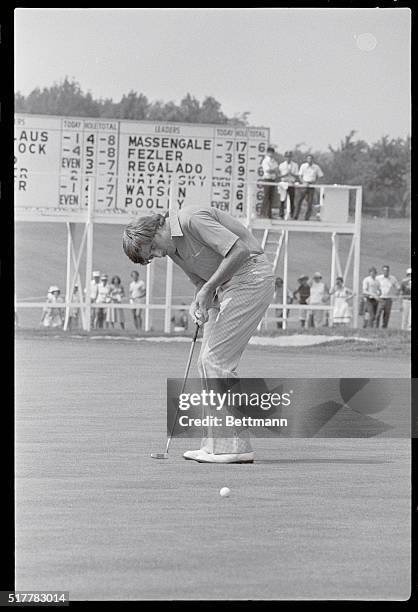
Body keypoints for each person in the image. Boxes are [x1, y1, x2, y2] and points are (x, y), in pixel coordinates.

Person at [122, 207, 275, 464]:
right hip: (225, 288)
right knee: (205, 362)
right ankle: (214, 444)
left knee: (216, 361)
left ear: (154, 230)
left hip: (252, 278)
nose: (159, 255)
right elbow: (199, 282)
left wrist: (207, 290)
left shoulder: (192, 220)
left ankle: (236, 446)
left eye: (154, 249)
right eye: (153, 257)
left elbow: (240, 251)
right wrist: (200, 303)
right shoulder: (172, 250)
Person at [294, 155, 324, 220]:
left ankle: (307, 217)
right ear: (306, 159)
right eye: (308, 159)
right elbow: (300, 176)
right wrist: (303, 182)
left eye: (311, 159)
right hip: (304, 184)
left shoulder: (316, 167)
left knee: (310, 202)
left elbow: (320, 176)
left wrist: (315, 182)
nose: (309, 160)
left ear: (313, 159)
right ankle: (295, 216)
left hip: (311, 185)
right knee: (299, 200)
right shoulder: (303, 166)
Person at [278, 151, 299, 219]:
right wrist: (285, 174)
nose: (288, 158)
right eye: (287, 157)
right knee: (282, 199)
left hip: (291, 183)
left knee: (292, 199)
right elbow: (279, 175)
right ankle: (281, 214)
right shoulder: (281, 165)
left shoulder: (295, 165)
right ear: (285, 157)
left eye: (289, 157)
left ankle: (292, 214)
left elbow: (297, 175)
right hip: (284, 183)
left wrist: (291, 173)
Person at [260, 146, 279, 219]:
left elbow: (277, 170)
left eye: (272, 153)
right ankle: (263, 213)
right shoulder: (265, 161)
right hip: (267, 179)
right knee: (266, 196)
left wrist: (273, 170)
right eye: (270, 152)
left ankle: (269, 214)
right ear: (267, 153)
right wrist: (274, 170)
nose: (271, 154)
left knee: (271, 197)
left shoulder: (274, 161)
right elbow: (267, 170)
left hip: (272, 180)